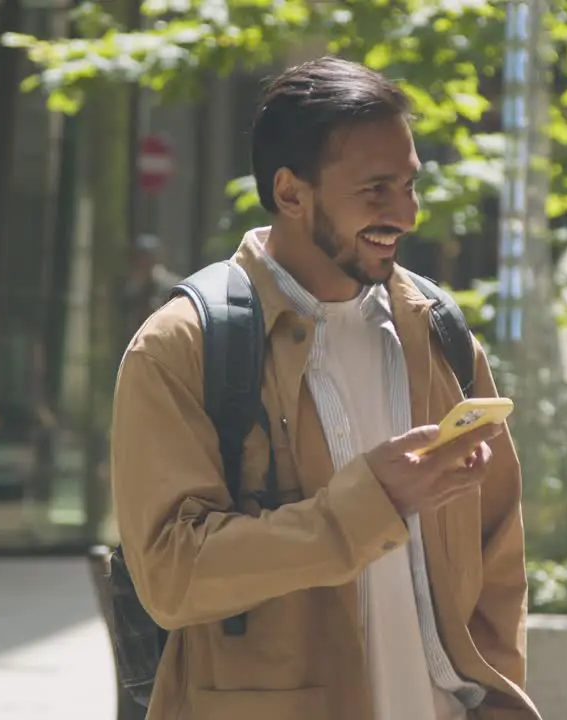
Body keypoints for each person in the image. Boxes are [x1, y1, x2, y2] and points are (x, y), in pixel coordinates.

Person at [109, 57, 538, 720]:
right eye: (376, 191)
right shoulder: (181, 347)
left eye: (409, 185)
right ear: (290, 193)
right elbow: (170, 575)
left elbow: (499, 559)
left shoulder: (439, 337)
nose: (408, 213)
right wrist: (371, 504)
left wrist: (500, 697)